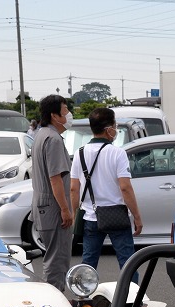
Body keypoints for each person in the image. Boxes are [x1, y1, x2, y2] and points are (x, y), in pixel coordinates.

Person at [69, 107, 143, 281]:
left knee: (88, 263)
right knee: (127, 263)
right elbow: (125, 187)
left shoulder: (80, 153)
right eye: (115, 125)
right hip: (117, 216)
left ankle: (84, 299)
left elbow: (74, 188)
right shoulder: (118, 153)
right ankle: (131, 303)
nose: (115, 130)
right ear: (109, 129)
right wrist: (137, 217)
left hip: (90, 216)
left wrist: (73, 215)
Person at [31, 94, 74, 292]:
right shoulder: (54, 139)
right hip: (53, 208)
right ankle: (55, 304)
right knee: (58, 259)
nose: (68, 115)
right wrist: (65, 209)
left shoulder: (40, 135)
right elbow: (55, 178)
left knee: (52, 256)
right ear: (54, 116)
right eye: (65, 111)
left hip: (42, 205)